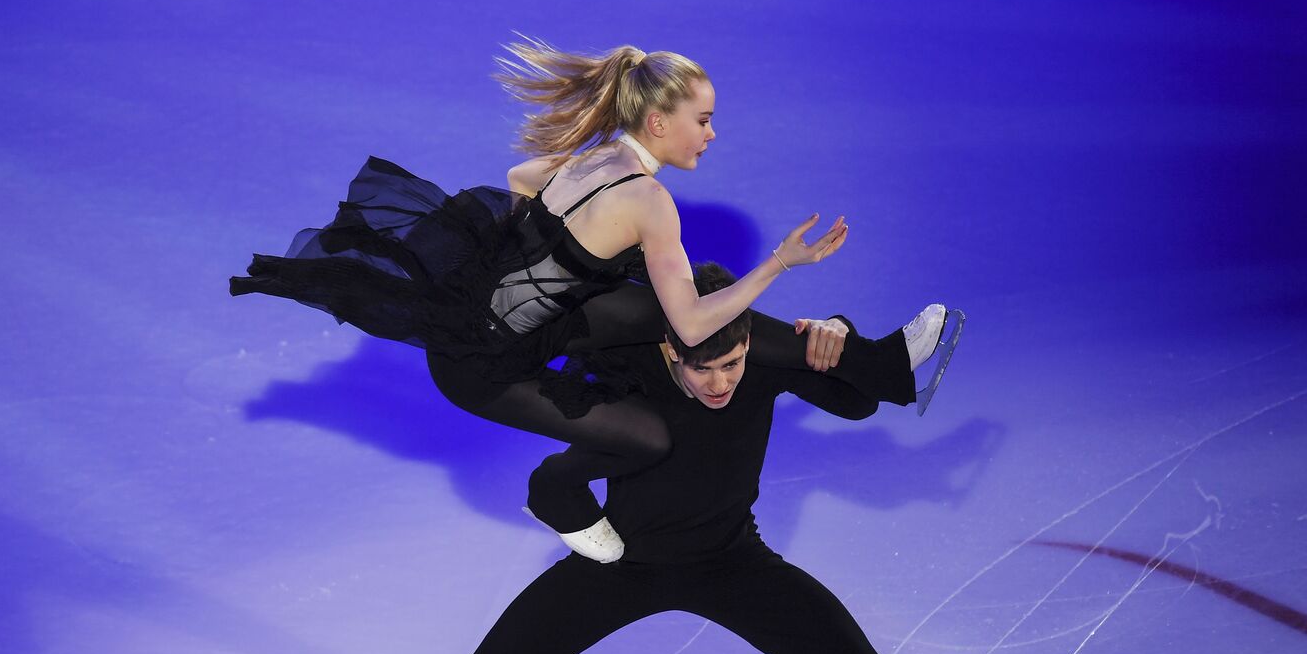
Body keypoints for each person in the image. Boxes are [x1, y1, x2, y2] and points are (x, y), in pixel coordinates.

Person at [229, 38, 951, 562]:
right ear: (660, 124)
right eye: (704, 119)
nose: (713, 133)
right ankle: (556, 494)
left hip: (536, 321)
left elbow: (521, 174)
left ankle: (879, 365)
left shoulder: (596, 158)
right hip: (483, 366)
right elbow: (692, 321)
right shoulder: (648, 199)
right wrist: (780, 263)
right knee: (652, 429)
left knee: (686, 293)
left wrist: (579, 253)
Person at [459, 262, 920, 654]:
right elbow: (559, 455)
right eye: (701, 368)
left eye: (731, 364)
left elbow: (856, 400)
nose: (719, 381)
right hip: (622, 563)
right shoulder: (625, 367)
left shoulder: (761, 362)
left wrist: (834, 339)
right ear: (669, 346)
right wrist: (579, 519)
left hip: (730, 559)